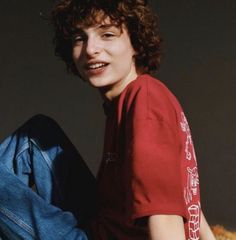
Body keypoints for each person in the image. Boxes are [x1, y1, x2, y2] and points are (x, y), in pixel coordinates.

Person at [0, 0, 216, 239]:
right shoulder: (131, 102)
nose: (91, 49)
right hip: (102, 224)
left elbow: (164, 214)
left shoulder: (145, 99)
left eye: (108, 34)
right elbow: (183, 191)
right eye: (79, 38)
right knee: (37, 134)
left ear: (136, 42)